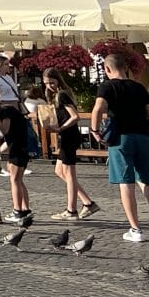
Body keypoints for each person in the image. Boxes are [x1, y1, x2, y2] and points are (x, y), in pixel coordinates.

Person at [91, 52, 149, 244]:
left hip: (120, 138)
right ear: (125, 68)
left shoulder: (107, 86)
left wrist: (95, 130)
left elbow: (98, 108)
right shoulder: (139, 87)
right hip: (142, 136)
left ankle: (135, 229)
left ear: (107, 69)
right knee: (147, 180)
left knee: (126, 183)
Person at [43, 68, 97, 221]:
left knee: (69, 174)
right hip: (66, 136)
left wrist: (60, 128)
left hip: (69, 136)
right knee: (59, 171)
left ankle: (71, 210)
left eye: (52, 82)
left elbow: (75, 116)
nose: (49, 86)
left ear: (58, 80)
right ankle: (87, 202)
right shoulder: (58, 95)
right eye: (46, 83)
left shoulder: (62, 95)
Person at [0, 91, 34, 223]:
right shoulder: (17, 116)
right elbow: (9, 139)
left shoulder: (5, 113)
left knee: (15, 180)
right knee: (19, 180)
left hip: (18, 151)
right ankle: (25, 208)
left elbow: (5, 131)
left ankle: (17, 210)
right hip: (19, 150)